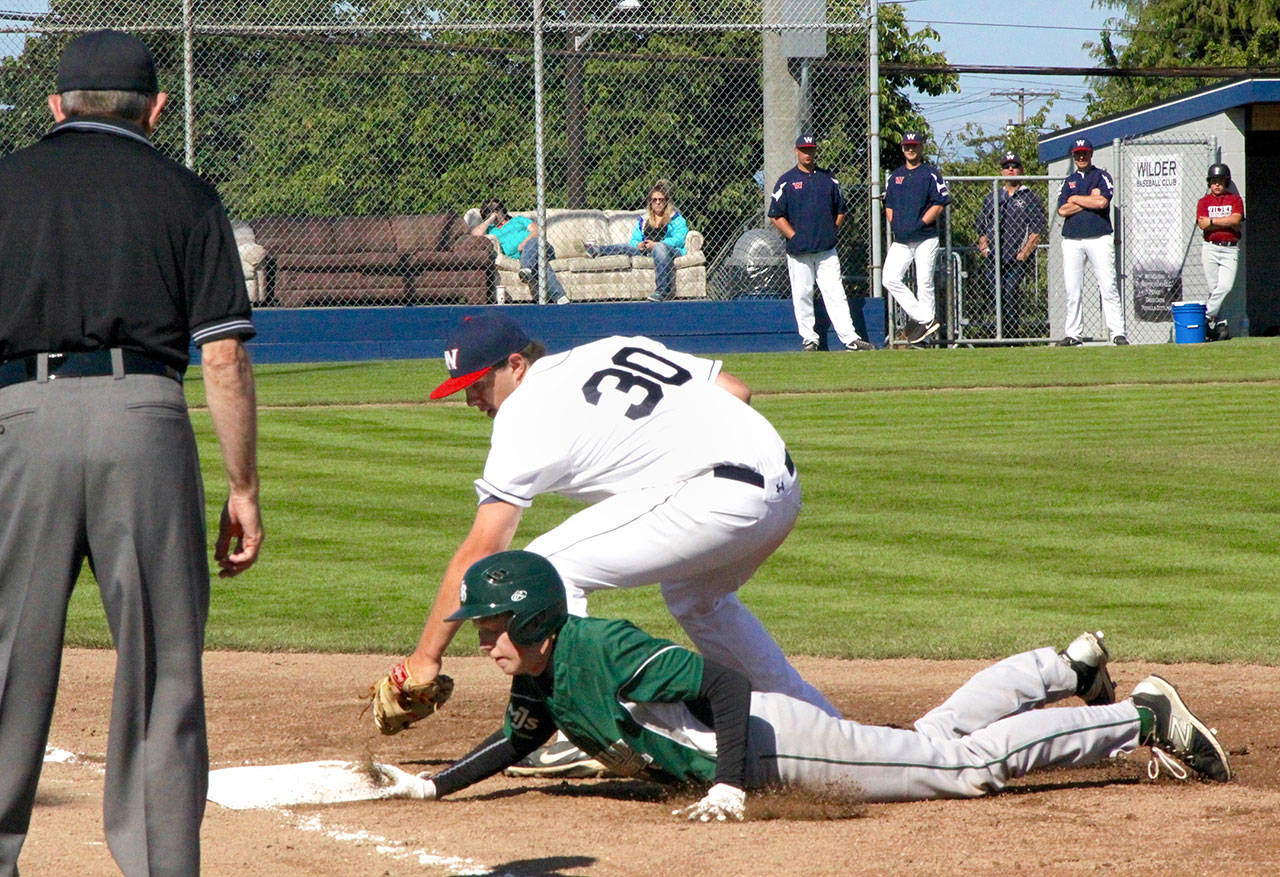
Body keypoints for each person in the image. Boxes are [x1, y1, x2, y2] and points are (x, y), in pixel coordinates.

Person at [403, 550, 1230, 820]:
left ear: (537, 622)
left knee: (962, 768)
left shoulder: (603, 646)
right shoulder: (543, 674)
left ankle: (1139, 715)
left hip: (770, 742)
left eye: (491, 627)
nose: (482, 640)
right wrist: (437, 783)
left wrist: (727, 783)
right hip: (763, 744)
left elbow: (724, 683)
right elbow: (519, 738)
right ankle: (1063, 667)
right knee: (928, 739)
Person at [0, 30, 262, 875]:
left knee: (5, 657)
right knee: (162, 668)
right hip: (144, 419)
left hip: (18, 421)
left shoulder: (5, 186)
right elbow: (221, 354)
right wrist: (244, 487)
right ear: (155, 108)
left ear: (54, 106)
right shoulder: (184, 194)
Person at [370, 312, 841, 771]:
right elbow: (737, 391)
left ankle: (586, 728)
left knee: (546, 569)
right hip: (781, 482)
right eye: (461, 388)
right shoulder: (611, 348)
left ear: (516, 366)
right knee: (696, 598)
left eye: (476, 383)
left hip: (719, 495)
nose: (471, 398)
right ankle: (823, 728)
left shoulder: (521, 414)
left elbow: (483, 550)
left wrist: (425, 658)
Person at [768, 134, 874, 352]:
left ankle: (850, 338)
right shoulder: (786, 180)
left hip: (826, 250)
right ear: (796, 151)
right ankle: (810, 339)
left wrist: (831, 230)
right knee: (802, 293)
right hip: (799, 251)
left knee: (835, 292)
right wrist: (794, 236)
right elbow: (776, 214)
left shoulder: (828, 179)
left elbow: (841, 210)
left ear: (816, 151)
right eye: (804, 150)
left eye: (811, 149)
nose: (808, 153)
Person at [1056, 138, 1127, 346]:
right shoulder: (1068, 181)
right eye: (1078, 153)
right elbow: (1062, 210)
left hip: (1099, 237)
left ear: (1091, 154)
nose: (1081, 157)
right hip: (1072, 240)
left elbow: (1103, 201)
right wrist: (1088, 199)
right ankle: (1073, 334)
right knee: (1072, 289)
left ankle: (1117, 332)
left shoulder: (1102, 176)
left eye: (1084, 153)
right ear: (1073, 155)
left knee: (1108, 285)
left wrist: (1075, 199)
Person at [883, 131, 952, 347]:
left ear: (921, 147)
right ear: (902, 148)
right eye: (906, 146)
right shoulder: (895, 177)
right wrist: (896, 225)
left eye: (914, 145)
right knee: (889, 278)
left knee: (924, 282)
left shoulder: (930, 173)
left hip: (925, 237)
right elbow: (889, 206)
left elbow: (939, 203)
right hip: (902, 239)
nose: (910, 149)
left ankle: (925, 335)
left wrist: (921, 223)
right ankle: (925, 319)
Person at [975, 152, 1046, 338]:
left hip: (1016, 258)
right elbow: (981, 228)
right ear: (1002, 171)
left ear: (1021, 170)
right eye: (1007, 166)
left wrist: (1024, 253)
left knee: (1010, 293)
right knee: (996, 294)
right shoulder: (993, 197)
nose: (1011, 169)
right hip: (994, 258)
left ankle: (1011, 336)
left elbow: (1037, 230)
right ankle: (998, 334)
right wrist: (984, 248)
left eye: (1015, 166)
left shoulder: (1030, 197)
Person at [586, 179, 689, 302]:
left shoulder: (675, 218)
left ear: (666, 201)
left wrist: (657, 244)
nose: (657, 203)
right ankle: (596, 250)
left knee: (659, 248)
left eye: (661, 200)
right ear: (650, 202)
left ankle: (662, 291)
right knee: (626, 247)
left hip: (668, 251)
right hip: (647, 250)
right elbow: (634, 240)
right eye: (654, 200)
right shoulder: (644, 219)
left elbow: (679, 239)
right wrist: (638, 244)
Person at [471, 197, 569, 304]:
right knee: (540, 263)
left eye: (497, 209)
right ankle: (560, 297)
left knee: (533, 242)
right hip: (526, 257)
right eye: (490, 211)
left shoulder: (518, 220)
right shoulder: (491, 229)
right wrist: (490, 219)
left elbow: (537, 231)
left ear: (502, 209)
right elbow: (475, 235)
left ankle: (526, 268)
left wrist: (525, 243)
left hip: (541, 248)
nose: (495, 212)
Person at [1196, 163, 1243, 342]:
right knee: (1214, 289)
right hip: (1210, 247)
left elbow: (1236, 219)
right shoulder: (1204, 202)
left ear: (1226, 182)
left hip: (1230, 248)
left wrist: (1213, 220)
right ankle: (1221, 326)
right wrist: (1226, 221)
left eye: (1221, 181)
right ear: (1209, 183)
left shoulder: (1235, 200)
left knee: (1225, 287)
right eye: (1214, 181)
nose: (1217, 185)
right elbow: (1202, 224)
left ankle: (1206, 317)